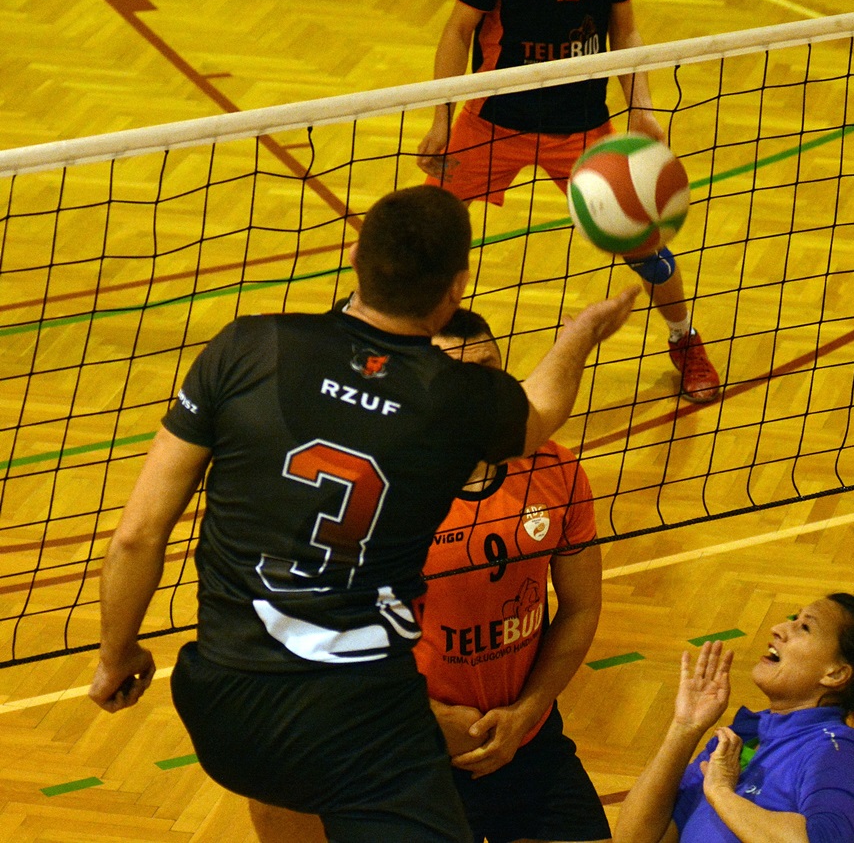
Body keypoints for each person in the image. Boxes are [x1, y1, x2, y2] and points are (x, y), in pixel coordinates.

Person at [88, 184, 638, 843]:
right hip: (356, 721)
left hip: (223, 707)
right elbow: (541, 411)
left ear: (356, 257)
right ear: (457, 285)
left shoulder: (248, 347)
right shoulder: (454, 399)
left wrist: (115, 655)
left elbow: (136, 536)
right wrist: (582, 334)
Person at [247, 307, 611, 843]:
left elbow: (581, 608)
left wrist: (526, 713)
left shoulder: (554, 469)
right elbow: (319, 643)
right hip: (406, 755)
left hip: (524, 741)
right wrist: (430, 717)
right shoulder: (368, 497)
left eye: (487, 370)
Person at [416, 0, 721, 405]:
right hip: (494, 120)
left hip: (580, 124)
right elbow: (458, 30)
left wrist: (641, 107)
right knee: (422, 234)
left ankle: (683, 338)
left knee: (642, 240)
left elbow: (624, 30)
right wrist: (441, 117)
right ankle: (380, 340)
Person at [613, 595, 854, 842]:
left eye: (805, 628)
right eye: (794, 619)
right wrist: (684, 729)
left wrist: (721, 793)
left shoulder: (838, 754)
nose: (778, 628)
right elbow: (636, 838)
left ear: (835, 673)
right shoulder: (746, 735)